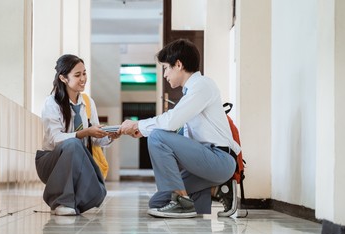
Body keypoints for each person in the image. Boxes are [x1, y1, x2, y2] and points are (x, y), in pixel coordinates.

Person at [119, 38, 241, 218]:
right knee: (158, 202)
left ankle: (183, 202)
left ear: (178, 64)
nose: (164, 74)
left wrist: (138, 125)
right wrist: (142, 130)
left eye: (166, 68)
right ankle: (217, 190)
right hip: (204, 163)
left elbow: (171, 121)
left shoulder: (202, 85)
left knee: (157, 137)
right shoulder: (191, 91)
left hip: (220, 160)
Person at [35, 54, 119, 216]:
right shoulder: (51, 103)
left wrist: (109, 136)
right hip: (50, 163)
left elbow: (94, 139)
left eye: (84, 73)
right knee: (73, 144)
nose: (83, 79)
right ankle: (61, 202)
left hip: (76, 161)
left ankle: (73, 202)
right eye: (77, 75)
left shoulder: (88, 103)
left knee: (99, 194)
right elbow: (56, 140)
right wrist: (84, 132)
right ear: (63, 78)